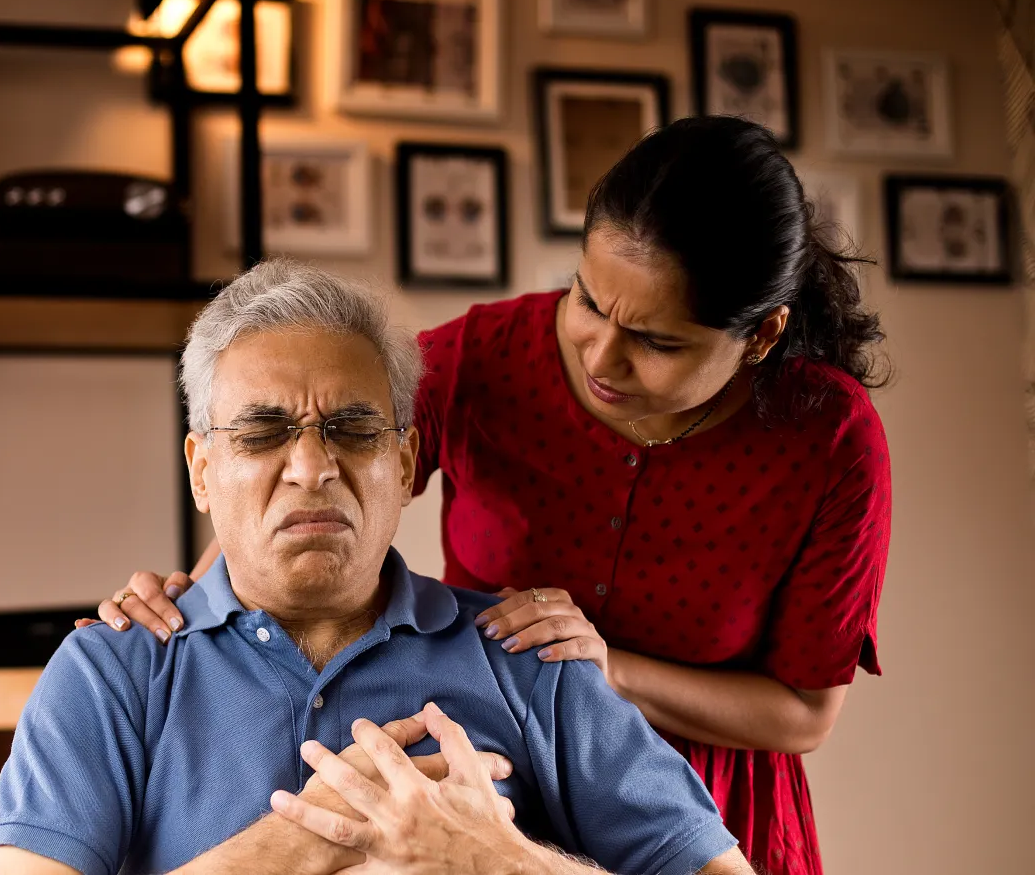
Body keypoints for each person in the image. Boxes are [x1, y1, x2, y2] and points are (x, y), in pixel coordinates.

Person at [98, 116, 892, 875]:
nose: (602, 359)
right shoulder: (483, 359)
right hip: (501, 795)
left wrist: (602, 668)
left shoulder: (828, 440)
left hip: (705, 813)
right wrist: (188, 610)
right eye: (585, 299)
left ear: (761, 335)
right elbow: (317, 474)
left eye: (655, 341)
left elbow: (803, 713)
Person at [0, 260, 752, 875]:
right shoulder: (113, 672)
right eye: (263, 431)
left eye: (352, 427)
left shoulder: (533, 662)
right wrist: (307, 839)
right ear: (201, 470)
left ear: (407, 463)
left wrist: (501, 864)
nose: (312, 466)